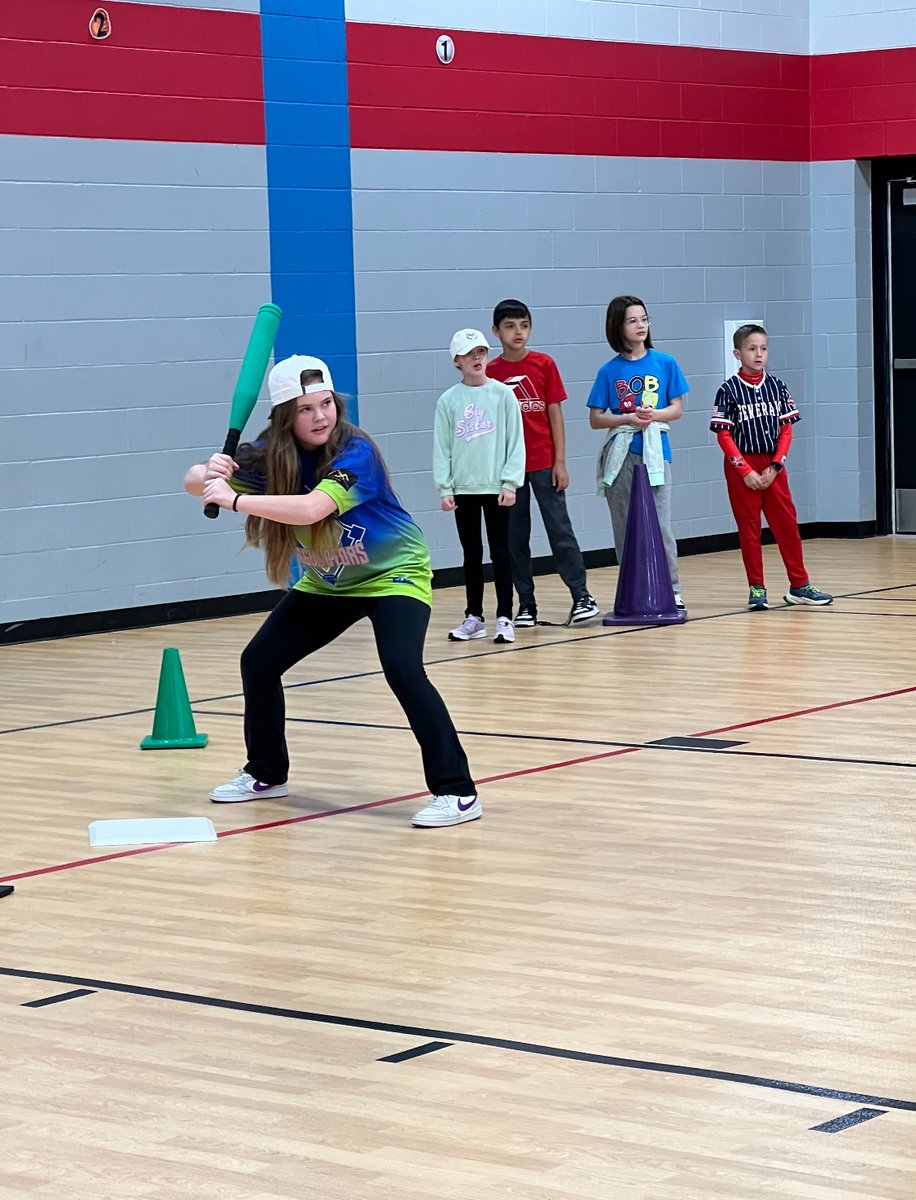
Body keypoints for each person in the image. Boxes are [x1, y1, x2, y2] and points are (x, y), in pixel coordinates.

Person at [184, 354, 481, 829]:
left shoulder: (354, 452)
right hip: (330, 582)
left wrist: (235, 498)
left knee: (403, 669)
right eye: (306, 409)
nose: (322, 416)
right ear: (286, 417)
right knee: (258, 663)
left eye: (327, 403)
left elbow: (310, 509)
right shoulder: (267, 454)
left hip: (392, 575)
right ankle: (266, 772)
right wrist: (208, 469)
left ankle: (457, 791)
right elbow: (192, 484)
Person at [486, 299, 598, 627]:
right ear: (496, 331)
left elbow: (555, 415)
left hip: (544, 463)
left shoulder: (544, 364)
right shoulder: (490, 373)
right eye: (509, 326)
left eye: (523, 325)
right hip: (509, 471)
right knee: (514, 538)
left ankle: (581, 595)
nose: (517, 332)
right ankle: (526, 604)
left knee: (560, 531)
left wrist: (560, 462)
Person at [710, 325, 833, 609]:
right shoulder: (728, 390)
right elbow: (724, 435)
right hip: (743, 465)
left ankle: (799, 585)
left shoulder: (778, 387)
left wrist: (776, 465)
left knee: (787, 524)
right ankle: (756, 588)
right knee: (749, 527)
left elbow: (786, 430)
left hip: (773, 464)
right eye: (752, 349)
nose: (759, 354)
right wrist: (744, 470)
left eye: (763, 348)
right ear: (737, 353)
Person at [586, 295, 687, 608]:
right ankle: (633, 589)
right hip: (623, 452)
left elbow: (677, 408)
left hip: (656, 452)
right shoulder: (609, 371)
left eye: (644, 318)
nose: (640, 325)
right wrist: (627, 418)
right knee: (625, 526)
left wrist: (652, 416)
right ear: (618, 326)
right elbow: (596, 418)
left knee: (661, 524)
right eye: (632, 320)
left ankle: (672, 590)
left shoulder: (665, 362)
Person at [433, 329, 525, 644]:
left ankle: (504, 617)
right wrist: (445, 488)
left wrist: (511, 482)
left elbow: (516, 443)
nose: (477, 358)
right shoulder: (448, 400)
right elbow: (441, 448)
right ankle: (474, 616)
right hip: (463, 489)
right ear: (456, 360)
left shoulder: (503, 395)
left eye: (481, 352)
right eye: (470, 353)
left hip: (497, 487)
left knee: (501, 551)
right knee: (471, 553)